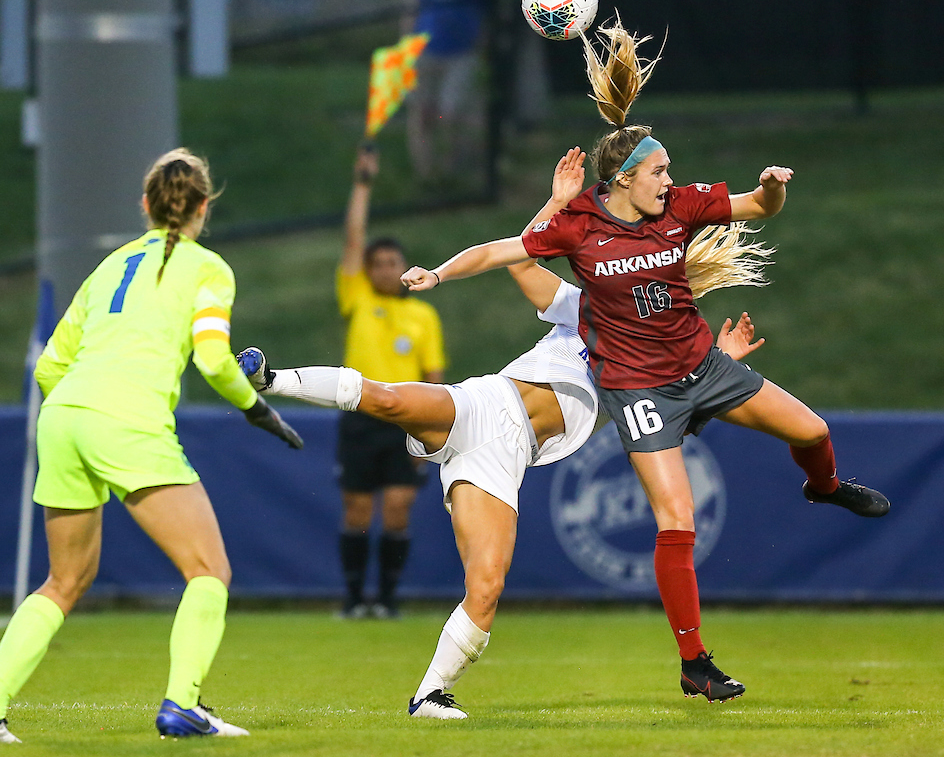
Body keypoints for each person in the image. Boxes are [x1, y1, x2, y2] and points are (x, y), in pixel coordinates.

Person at [400, 21, 890, 704]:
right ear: (625, 180)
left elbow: (759, 207)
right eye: (660, 170)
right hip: (638, 391)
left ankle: (824, 487)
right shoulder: (578, 225)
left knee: (811, 433)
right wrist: (438, 275)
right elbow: (499, 251)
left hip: (704, 367)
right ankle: (696, 664)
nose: (670, 178)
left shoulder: (679, 206)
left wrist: (772, 186)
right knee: (676, 520)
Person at [238, 149, 767, 719]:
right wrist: (559, 201)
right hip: (487, 405)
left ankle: (427, 696)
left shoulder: (665, 361)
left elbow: (679, 416)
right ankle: (269, 378)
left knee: (486, 588)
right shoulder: (582, 307)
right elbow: (520, 259)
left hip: (506, 460)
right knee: (389, 398)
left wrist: (721, 364)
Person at [0, 148, 303, 744]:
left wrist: (84, 411)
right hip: (129, 419)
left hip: (62, 415)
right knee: (208, 569)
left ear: (145, 205)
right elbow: (215, 358)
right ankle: (182, 706)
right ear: (203, 207)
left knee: (62, 582)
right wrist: (256, 408)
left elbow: (49, 366)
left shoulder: (111, 265)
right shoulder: (208, 268)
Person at [335, 146, 446, 619]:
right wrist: (362, 184)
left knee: (398, 509)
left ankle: (387, 598)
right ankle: (356, 599)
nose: (383, 269)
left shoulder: (423, 314)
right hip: (361, 416)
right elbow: (353, 239)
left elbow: (435, 375)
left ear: (404, 268)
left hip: (406, 420)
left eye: (391, 262)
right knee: (358, 514)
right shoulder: (357, 298)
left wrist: (439, 427)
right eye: (376, 262)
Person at [405, 0, 490, 181]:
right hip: (426, 50)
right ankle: (425, 173)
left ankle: (455, 166)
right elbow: (414, 5)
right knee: (422, 113)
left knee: (451, 111)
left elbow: (488, 12)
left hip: (463, 54)